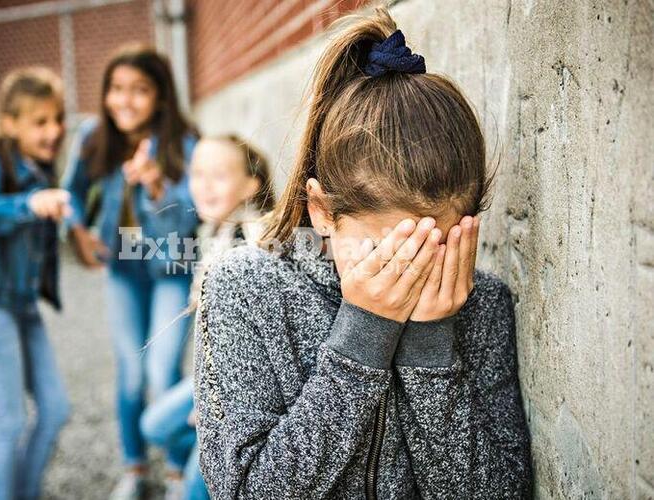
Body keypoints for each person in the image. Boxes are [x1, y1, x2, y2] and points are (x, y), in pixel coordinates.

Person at [194, 8, 532, 499]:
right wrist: (363, 337)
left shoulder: (482, 305)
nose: (411, 272)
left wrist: (430, 346)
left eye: (432, 247)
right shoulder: (246, 288)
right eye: (388, 251)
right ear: (322, 211)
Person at [60, 43, 199, 499]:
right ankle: (135, 467)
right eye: (116, 89)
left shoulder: (185, 143)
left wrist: (157, 185)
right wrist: (77, 229)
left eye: (139, 90)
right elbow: (72, 193)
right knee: (132, 374)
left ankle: (180, 468)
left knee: (162, 374)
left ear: (160, 96)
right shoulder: (93, 136)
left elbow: (186, 224)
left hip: (171, 269)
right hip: (124, 270)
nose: (125, 100)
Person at [141, 135, 274, 500]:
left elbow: (256, 342)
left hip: (240, 390)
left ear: (251, 186)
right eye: (197, 174)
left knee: (193, 490)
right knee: (154, 425)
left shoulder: (252, 242)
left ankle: (229, 467)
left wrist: (214, 407)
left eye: (219, 175)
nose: (204, 186)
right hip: (214, 378)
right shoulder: (215, 231)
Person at [0, 67, 72, 500]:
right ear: (10, 123)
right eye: (40, 121)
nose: (54, 130)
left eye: (57, 119)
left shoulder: (41, 168)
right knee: (9, 419)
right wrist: (29, 203)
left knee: (56, 409)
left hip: (23, 308)